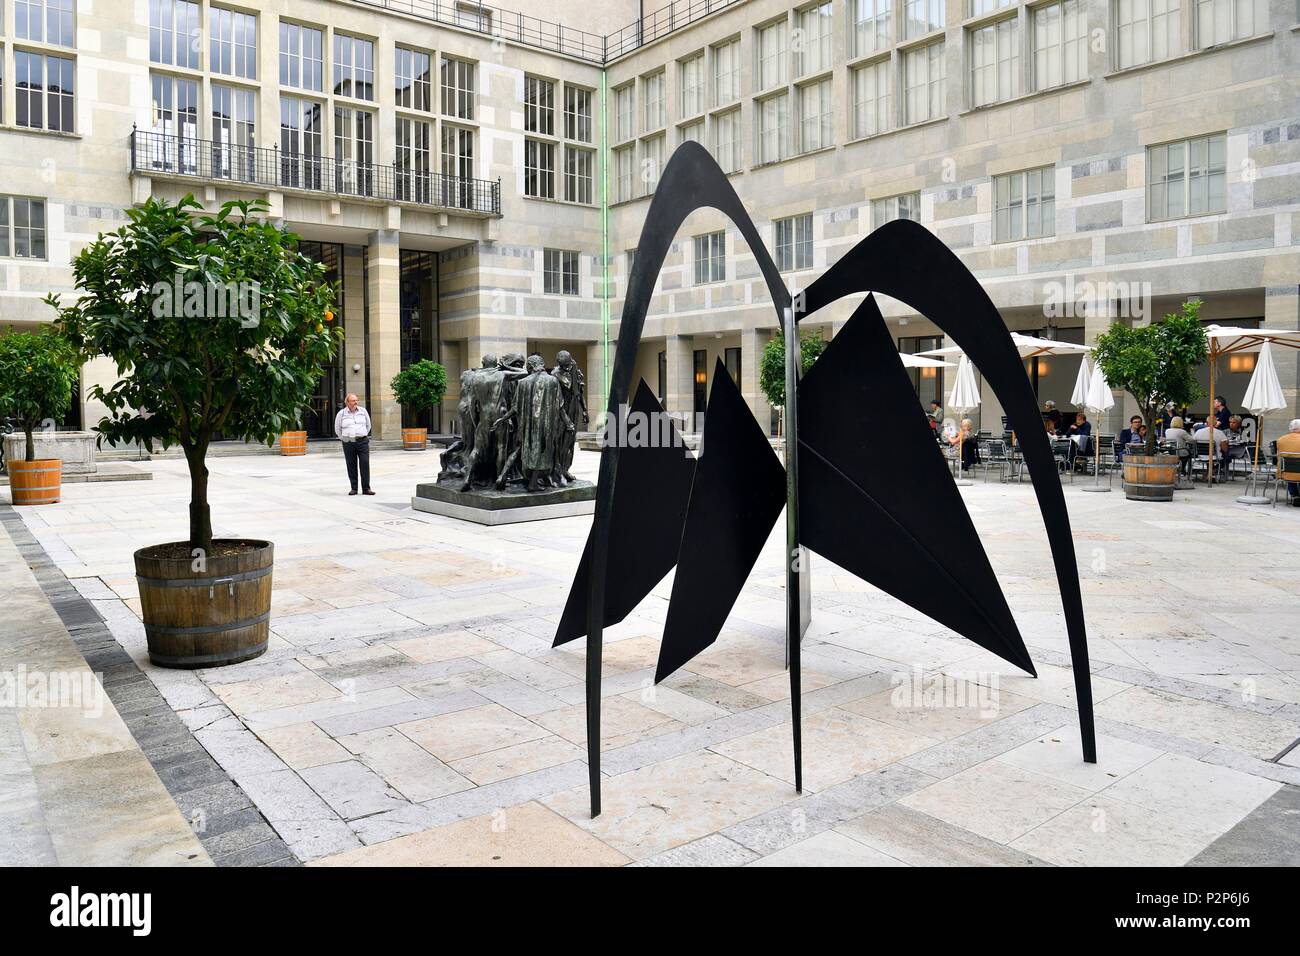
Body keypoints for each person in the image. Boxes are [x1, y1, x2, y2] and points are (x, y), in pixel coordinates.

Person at [335, 393, 374, 495]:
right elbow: (337, 428)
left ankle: (366, 489)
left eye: (356, 400)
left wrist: (362, 434)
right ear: (347, 402)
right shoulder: (341, 414)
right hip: (348, 441)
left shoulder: (363, 411)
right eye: (353, 401)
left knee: (365, 463)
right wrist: (344, 439)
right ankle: (354, 488)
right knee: (351, 465)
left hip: (362, 440)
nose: (356, 402)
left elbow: (368, 425)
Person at [1193, 416, 1229, 482]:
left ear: (1206, 423)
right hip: (1215, 457)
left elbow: (1193, 442)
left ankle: (1209, 473)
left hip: (1201, 455)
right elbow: (1225, 449)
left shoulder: (1198, 432)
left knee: (1210, 457)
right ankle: (1212, 471)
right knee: (1226, 456)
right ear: (1216, 423)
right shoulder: (1220, 433)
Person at [1278, 419, 1300, 506]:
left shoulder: (1280, 440)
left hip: (1286, 472)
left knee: (1291, 470)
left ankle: (1294, 495)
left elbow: (1278, 456)